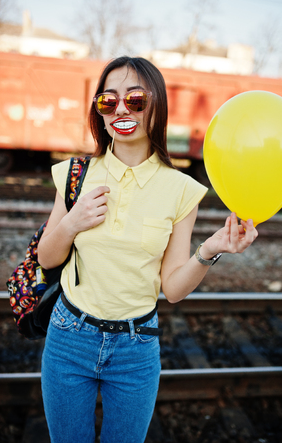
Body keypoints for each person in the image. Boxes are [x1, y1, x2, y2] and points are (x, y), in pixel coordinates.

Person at [38, 56, 258, 443]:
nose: (121, 108)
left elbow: (171, 289)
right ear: (100, 113)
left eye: (135, 99)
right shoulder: (76, 173)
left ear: (156, 104)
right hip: (69, 337)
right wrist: (73, 222)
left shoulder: (181, 190)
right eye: (108, 101)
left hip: (136, 349)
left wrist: (210, 249)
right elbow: (47, 258)